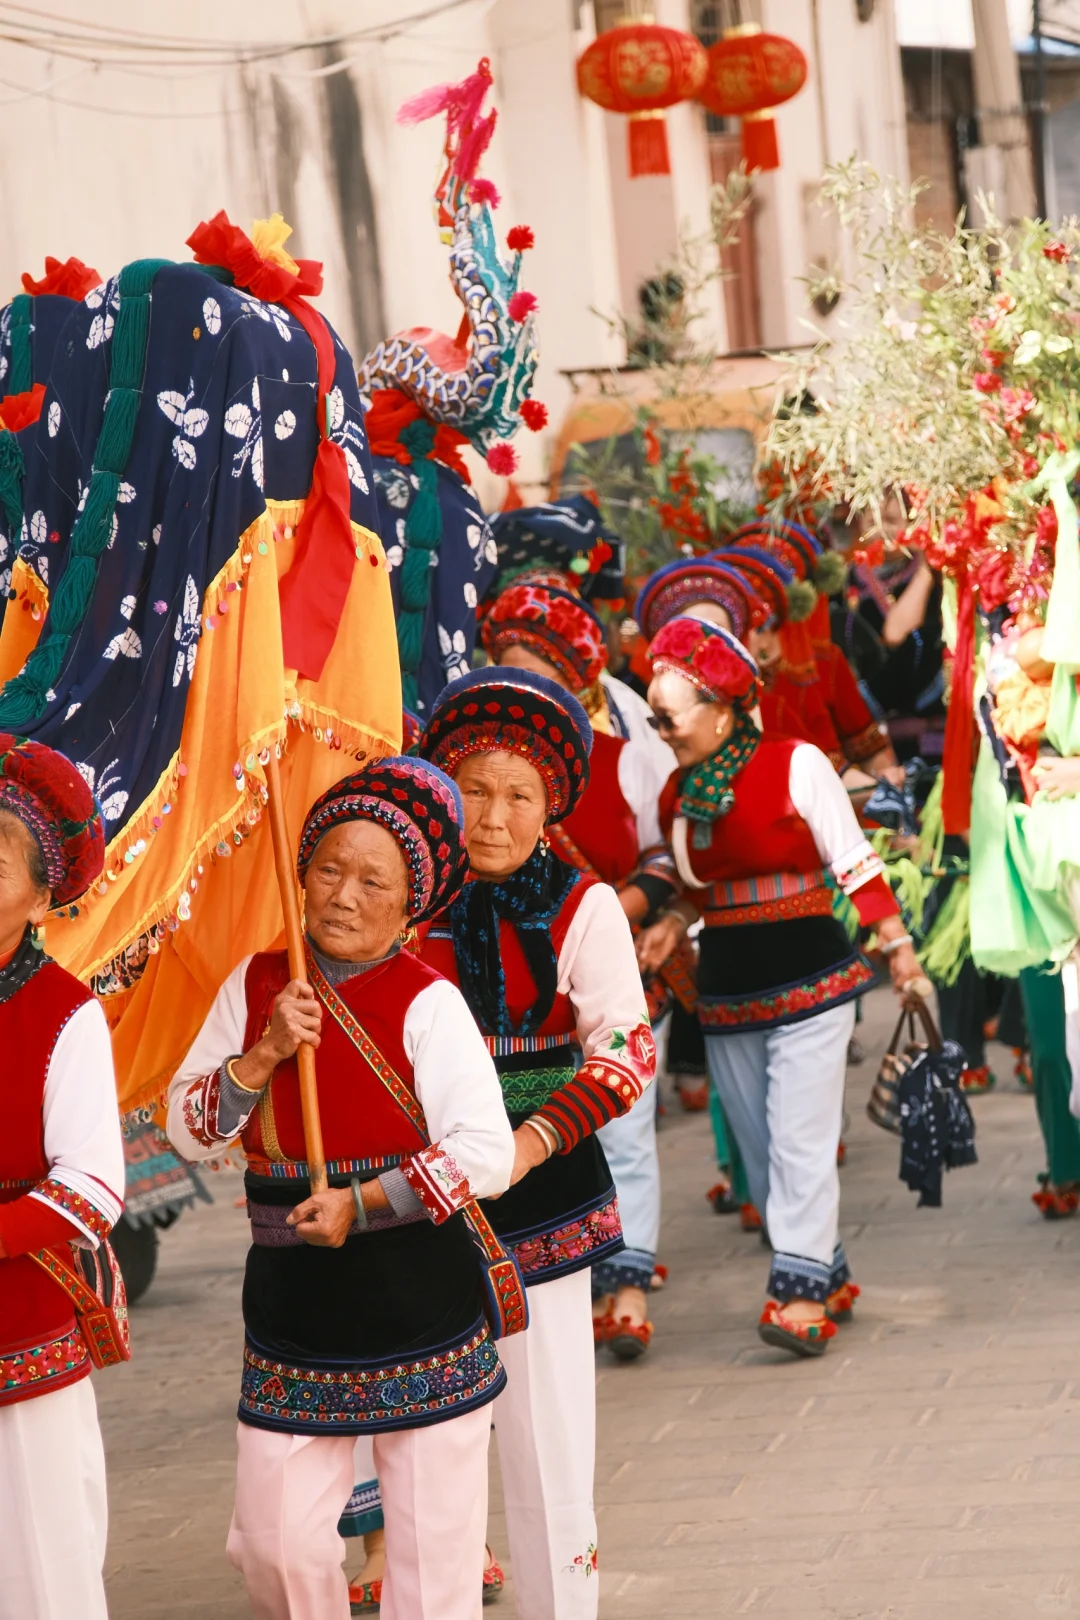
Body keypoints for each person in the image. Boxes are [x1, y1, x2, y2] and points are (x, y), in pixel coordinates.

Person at [167, 756, 515, 1620]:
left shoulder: (429, 1001)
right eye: (329, 869)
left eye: (372, 880)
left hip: (420, 1299)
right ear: (301, 873)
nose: (344, 895)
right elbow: (185, 1126)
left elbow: (487, 1151)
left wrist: (362, 1203)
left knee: (435, 1562)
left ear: (409, 903)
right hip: (294, 1306)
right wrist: (262, 1056)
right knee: (273, 1544)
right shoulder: (255, 986)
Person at [418, 666, 655, 1618]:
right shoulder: (406, 897)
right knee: (427, 1439)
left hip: (543, 1196)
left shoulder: (582, 904)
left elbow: (628, 1054)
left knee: (548, 1433)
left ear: (551, 803)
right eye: (474, 788)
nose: (492, 816)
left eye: (519, 794)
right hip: (416, 1199)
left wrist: (532, 1138)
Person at [636, 619, 920, 1356]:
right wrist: (671, 919)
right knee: (761, 1152)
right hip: (727, 988)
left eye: (670, 715)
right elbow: (700, 889)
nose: (661, 729)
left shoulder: (795, 763)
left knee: (799, 1137)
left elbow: (854, 862)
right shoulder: (675, 793)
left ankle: (795, 1294)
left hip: (813, 976)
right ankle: (821, 1266)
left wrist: (899, 949)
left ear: (722, 707)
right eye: (653, 716)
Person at [481, 582, 671, 1360]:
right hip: (509, 1000)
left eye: (534, 672)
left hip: (615, 959)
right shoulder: (467, 775)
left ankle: (627, 1282)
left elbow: (665, 854)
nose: (517, 687)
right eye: (505, 671)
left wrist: (601, 916)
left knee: (624, 1131)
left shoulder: (629, 759)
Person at [0, 736, 122, 1620]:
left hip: (25, 1319)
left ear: (43, 896)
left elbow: (90, 1189)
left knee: (45, 1559)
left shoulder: (65, 1013)